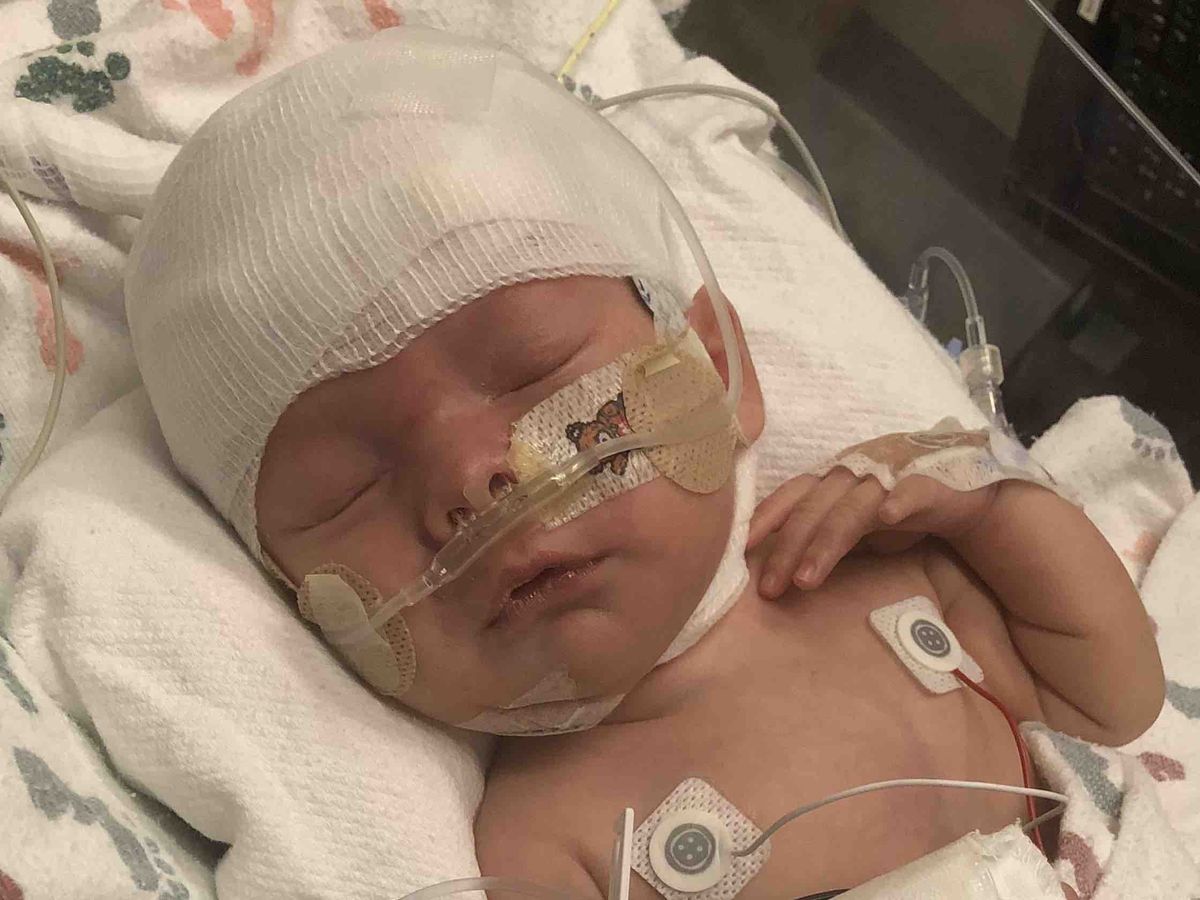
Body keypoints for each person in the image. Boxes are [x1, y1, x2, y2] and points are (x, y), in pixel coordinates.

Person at [125, 29, 1163, 899]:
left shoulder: (887, 583)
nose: (473, 477)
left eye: (531, 369)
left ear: (714, 364)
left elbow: (1115, 698)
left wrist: (981, 509)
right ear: (295, 595)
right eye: (348, 488)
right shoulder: (551, 839)